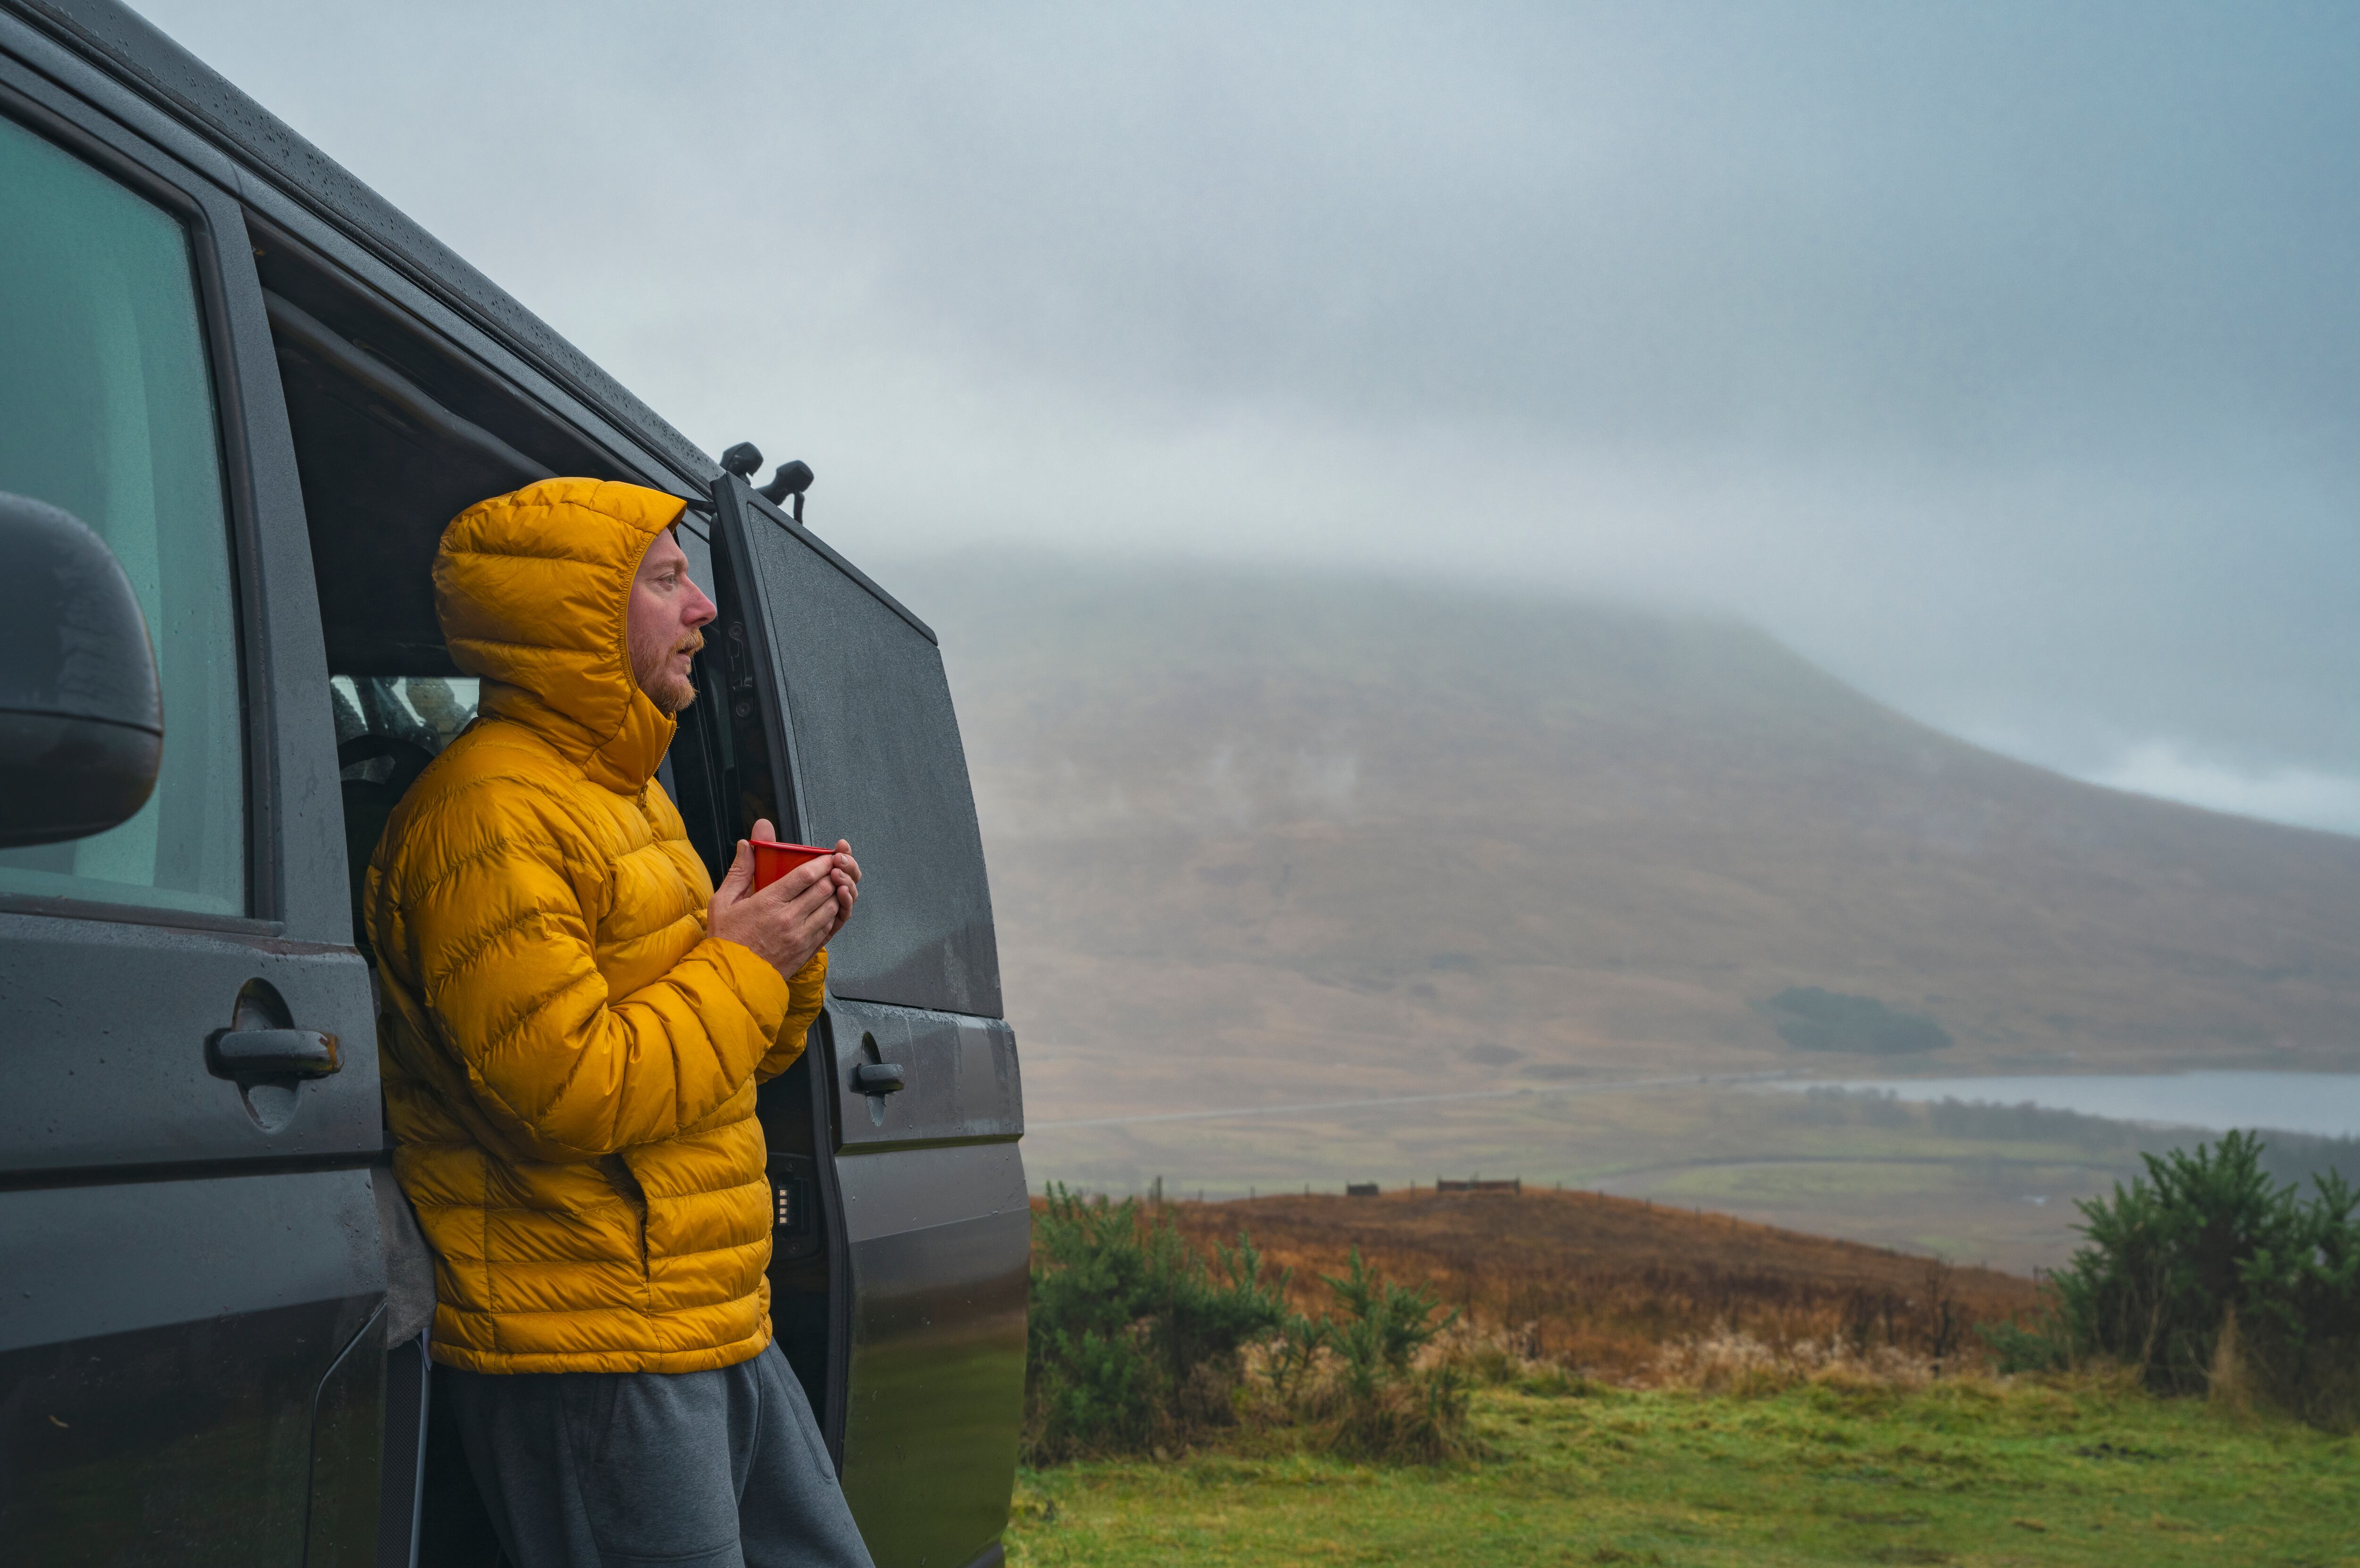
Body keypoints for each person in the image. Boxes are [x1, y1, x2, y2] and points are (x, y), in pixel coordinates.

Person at [365, 477, 874, 1568]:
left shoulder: (628, 798)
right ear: (575, 617)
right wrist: (742, 958)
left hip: (706, 1311)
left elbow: (726, 1064)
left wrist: (788, 944)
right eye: (666, 578)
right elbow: (576, 1091)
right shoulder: (486, 818)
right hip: (588, 1342)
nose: (704, 610)